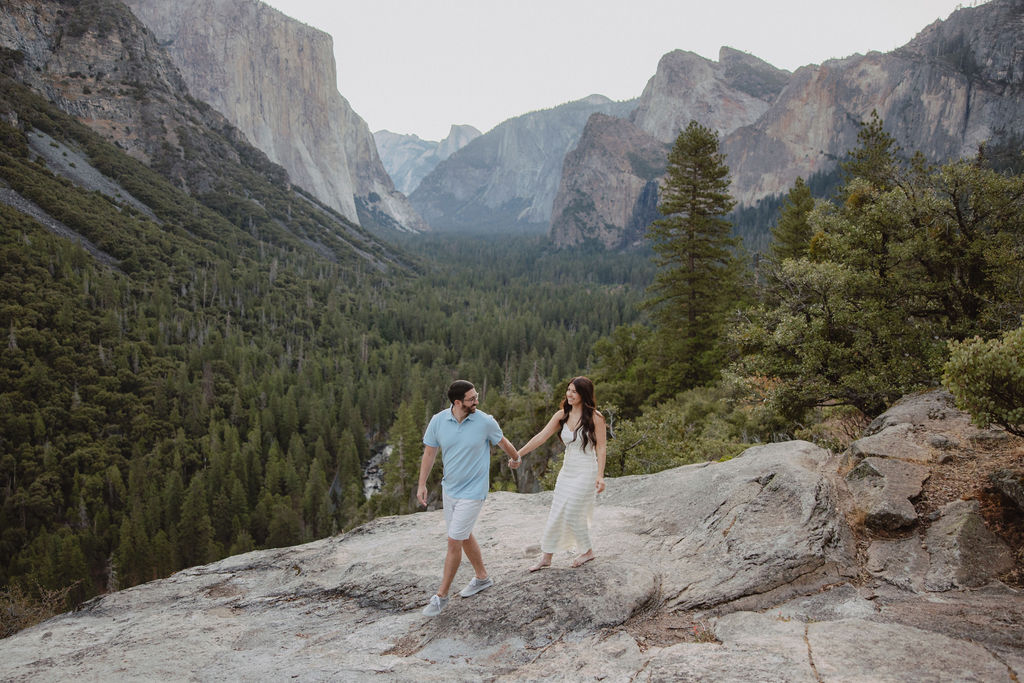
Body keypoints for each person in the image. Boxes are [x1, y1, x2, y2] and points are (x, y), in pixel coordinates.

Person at [417, 380, 521, 617]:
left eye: (476, 397)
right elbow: (430, 452)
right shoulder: (438, 421)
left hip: (474, 492)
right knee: (463, 535)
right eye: (471, 399)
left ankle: (441, 597)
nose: (476, 401)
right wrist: (421, 484)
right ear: (457, 402)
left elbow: (502, 441)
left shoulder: (484, 421)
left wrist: (516, 458)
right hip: (450, 490)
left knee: (454, 540)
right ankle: (482, 577)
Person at [516, 377, 606, 571]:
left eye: (574, 391)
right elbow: (541, 437)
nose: (569, 394)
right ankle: (547, 556)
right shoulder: (562, 415)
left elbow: (601, 447)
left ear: (584, 394)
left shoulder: (596, 417)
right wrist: (518, 454)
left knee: (573, 510)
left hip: (586, 469)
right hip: (567, 470)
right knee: (557, 510)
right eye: (568, 390)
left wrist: (600, 475)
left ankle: (587, 551)